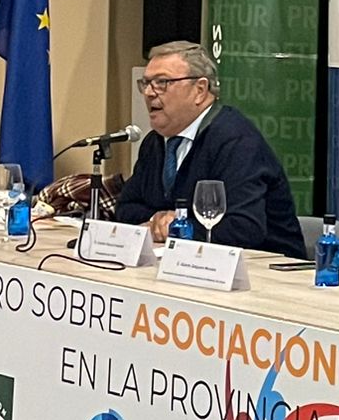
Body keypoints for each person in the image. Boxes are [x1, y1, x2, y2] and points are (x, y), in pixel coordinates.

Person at [115, 40, 305, 257]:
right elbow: (125, 208)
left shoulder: (236, 141)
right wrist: (158, 220)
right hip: (187, 263)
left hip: (265, 268)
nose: (149, 93)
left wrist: (179, 227)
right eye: (146, 83)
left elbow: (244, 228)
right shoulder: (155, 143)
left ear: (200, 90)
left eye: (162, 82)